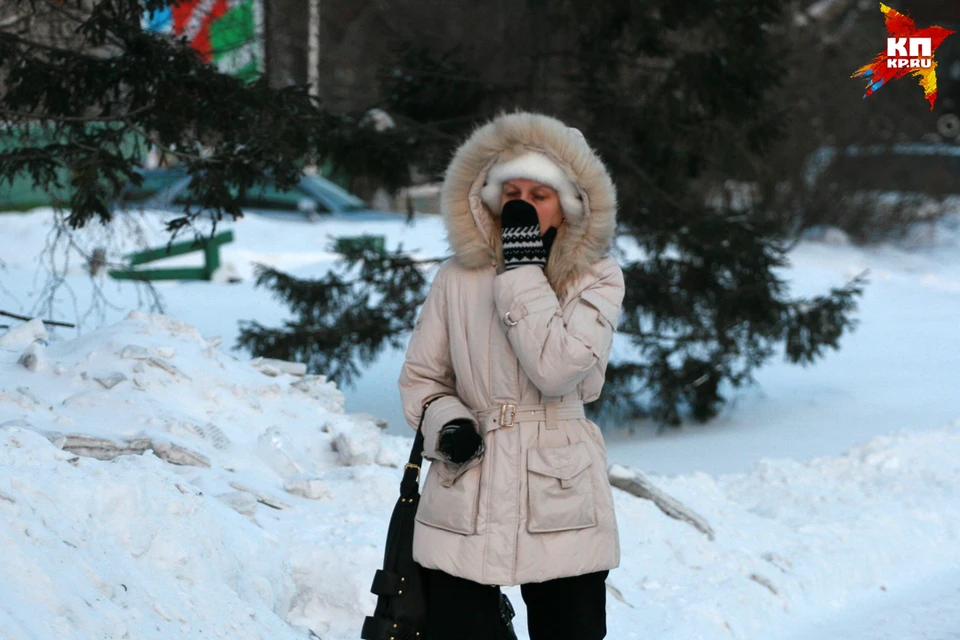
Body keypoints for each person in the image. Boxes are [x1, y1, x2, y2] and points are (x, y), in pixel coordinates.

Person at [398, 111, 624, 640]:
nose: (521, 205)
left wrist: (522, 271)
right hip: (468, 484)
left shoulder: (598, 278)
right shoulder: (457, 277)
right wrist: (448, 422)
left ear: (568, 208)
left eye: (538, 195)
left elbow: (558, 371)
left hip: (559, 489)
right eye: (512, 191)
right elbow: (423, 378)